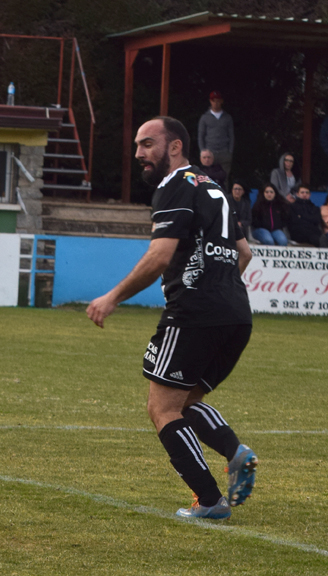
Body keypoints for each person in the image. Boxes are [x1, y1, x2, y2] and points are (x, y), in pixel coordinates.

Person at [87, 116, 257, 520]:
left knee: (162, 407)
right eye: (137, 147)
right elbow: (245, 254)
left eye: (148, 144)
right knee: (187, 399)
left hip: (193, 313)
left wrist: (113, 297)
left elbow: (160, 255)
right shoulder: (213, 188)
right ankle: (236, 453)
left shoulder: (174, 187)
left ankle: (210, 501)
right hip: (236, 313)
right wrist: (219, 291)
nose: (140, 154)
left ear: (176, 146)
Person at [197, 91, 234, 178]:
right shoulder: (204, 118)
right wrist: (203, 151)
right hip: (209, 152)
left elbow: (231, 135)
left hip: (224, 152)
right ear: (210, 101)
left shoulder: (227, 117)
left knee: (224, 178)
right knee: (208, 178)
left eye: (218, 100)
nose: (216, 103)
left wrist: (230, 152)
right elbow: (201, 135)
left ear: (221, 101)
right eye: (214, 100)